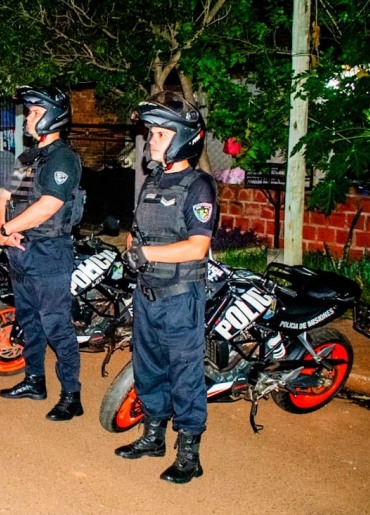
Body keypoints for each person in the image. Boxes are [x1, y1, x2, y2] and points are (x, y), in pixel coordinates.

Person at [114, 90, 218, 484]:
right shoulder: (153, 182)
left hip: (180, 298)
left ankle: (189, 455)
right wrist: (132, 248)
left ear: (182, 139)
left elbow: (198, 245)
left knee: (184, 373)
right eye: (151, 133)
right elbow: (138, 234)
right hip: (148, 294)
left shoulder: (198, 186)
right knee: (149, 368)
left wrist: (147, 255)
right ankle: (152, 437)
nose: (151, 140)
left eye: (159, 134)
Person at [0, 86, 84, 422]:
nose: (27, 118)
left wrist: (7, 229)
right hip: (19, 251)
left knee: (57, 326)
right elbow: (4, 196)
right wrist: (0, 229)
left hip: (49, 254)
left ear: (53, 116)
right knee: (29, 321)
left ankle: (71, 396)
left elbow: (49, 206)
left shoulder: (63, 158)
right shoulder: (26, 158)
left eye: (33, 112)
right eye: (28, 112)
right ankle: (35, 381)